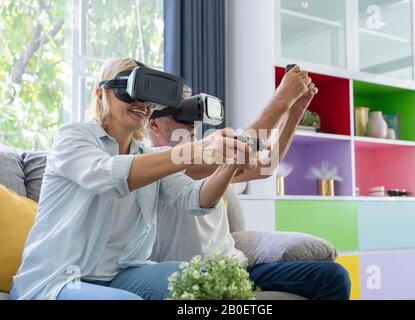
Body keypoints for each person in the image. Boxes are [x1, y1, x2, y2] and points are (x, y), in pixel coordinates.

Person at [10, 58, 255, 300]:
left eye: (147, 96)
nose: (141, 102)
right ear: (100, 94)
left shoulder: (148, 157)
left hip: (120, 274)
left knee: (206, 282)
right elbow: (109, 175)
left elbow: (196, 199)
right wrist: (193, 151)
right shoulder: (73, 137)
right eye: (129, 92)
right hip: (56, 279)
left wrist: (229, 166)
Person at [148, 74, 352, 300]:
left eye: (193, 114)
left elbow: (266, 165)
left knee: (333, 275)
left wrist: (295, 111)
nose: (191, 122)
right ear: (154, 123)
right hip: (198, 278)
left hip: (237, 269)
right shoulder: (154, 163)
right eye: (181, 114)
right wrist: (281, 99)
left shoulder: (206, 153)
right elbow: (234, 152)